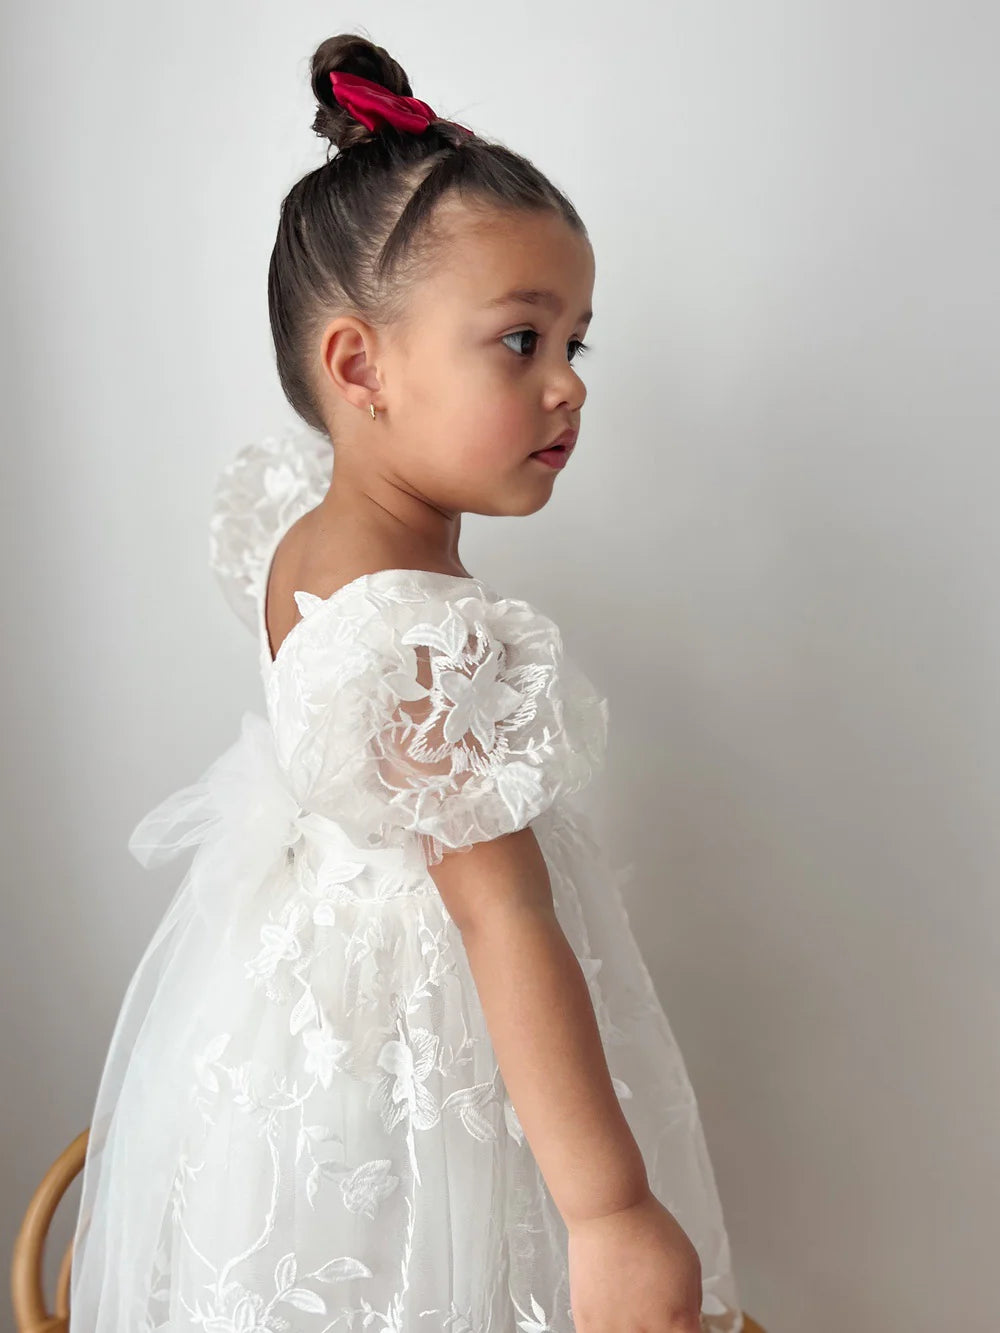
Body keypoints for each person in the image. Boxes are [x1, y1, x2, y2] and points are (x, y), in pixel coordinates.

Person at [69, 32, 744, 1333]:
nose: (568, 386)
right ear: (360, 367)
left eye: (577, 341)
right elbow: (502, 915)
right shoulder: (420, 637)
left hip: (295, 1012)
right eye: (520, 340)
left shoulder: (304, 531)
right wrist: (609, 1212)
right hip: (424, 1050)